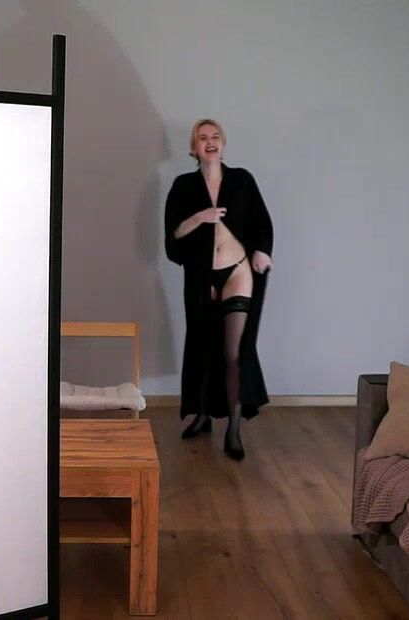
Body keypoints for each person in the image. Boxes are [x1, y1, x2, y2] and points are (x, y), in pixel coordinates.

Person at [164, 119, 273, 461]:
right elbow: (173, 236)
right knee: (201, 347)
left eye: (215, 137)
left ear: (223, 143)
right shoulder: (183, 186)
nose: (209, 142)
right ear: (193, 147)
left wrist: (262, 250)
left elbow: (262, 221)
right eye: (202, 138)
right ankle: (203, 416)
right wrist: (201, 217)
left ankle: (234, 429)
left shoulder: (242, 180)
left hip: (237, 271)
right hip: (201, 276)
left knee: (234, 353)